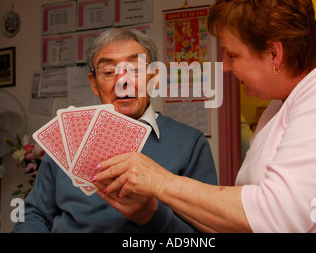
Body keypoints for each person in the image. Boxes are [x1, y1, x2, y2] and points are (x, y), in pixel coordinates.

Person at [92, 0, 316, 232]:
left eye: (233, 54)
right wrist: (150, 209)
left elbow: (277, 216)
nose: (224, 66)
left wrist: (159, 181)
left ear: (274, 54)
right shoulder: (278, 107)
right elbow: (242, 218)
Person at [13, 28, 217, 232]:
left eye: (135, 69)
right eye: (109, 72)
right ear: (94, 84)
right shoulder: (69, 138)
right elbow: (33, 213)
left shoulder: (190, 144)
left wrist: (152, 215)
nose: (122, 82)